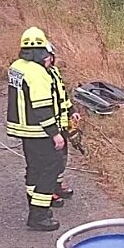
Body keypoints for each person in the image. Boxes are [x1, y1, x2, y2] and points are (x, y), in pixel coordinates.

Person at [6, 27, 65, 232]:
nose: (49, 59)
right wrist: (55, 134)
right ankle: (38, 214)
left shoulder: (17, 66)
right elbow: (41, 108)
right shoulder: (38, 73)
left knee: (34, 168)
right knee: (51, 167)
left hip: (24, 129)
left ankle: (35, 205)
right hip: (39, 131)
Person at [44, 42, 79, 206]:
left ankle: (57, 185)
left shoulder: (55, 72)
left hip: (61, 124)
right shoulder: (39, 76)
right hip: (49, 126)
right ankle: (48, 190)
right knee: (50, 160)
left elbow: (62, 96)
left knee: (62, 157)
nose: (48, 59)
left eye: (50, 56)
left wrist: (72, 111)